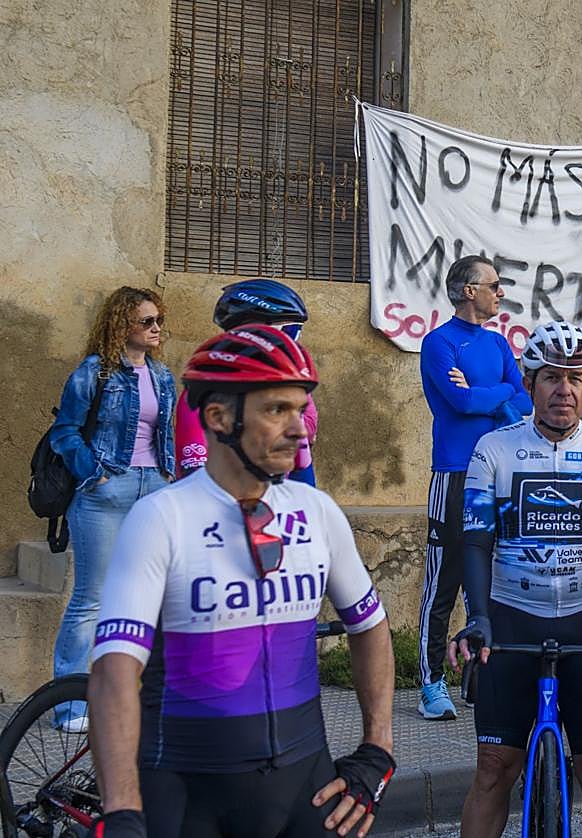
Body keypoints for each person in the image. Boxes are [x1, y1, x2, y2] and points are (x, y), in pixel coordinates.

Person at [86, 325, 397, 838]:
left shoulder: (317, 512)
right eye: (277, 410)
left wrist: (378, 751)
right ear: (219, 417)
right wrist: (122, 811)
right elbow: (113, 672)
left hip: (306, 786)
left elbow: (370, 625)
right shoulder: (161, 518)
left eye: (301, 409)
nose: (301, 430)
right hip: (186, 792)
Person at [447, 321, 582, 838]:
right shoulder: (494, 449)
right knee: (493, 769)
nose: (565, 389)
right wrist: (479, 619)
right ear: (530, 383)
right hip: (512, 616)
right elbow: (474, 541)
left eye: (576, 378)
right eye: (552, 377)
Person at [47, 286, 176, 732]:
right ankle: (71, 707)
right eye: (147, 321)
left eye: (159, 320)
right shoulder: (94, 372)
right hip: (106, 492)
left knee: (149, 597)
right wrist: (94, 473)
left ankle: (134, 697)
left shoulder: (162, 376)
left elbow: (165, 436)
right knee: (90, 600)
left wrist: (168, 476)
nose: (157, 328)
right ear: (122, 324)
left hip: (153, 490)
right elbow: (64, 432)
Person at [418, 255, 533, 720]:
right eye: (494, 284)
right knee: (444, 581)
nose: (500, 292)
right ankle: (430, 683)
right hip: (453, 473)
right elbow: (460, 402)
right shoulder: (438, 343)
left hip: (497, 473)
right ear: (469, 290)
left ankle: (481, 672)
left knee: (492, 580)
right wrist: (498, 394)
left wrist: (498, 394)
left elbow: (524, 398)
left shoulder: (498, 343)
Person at [175, 279, 318, 485]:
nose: (294, 342)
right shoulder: (204, 393)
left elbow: (303, 465)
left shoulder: (294, 387)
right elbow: (194, 483)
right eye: (291, 331)